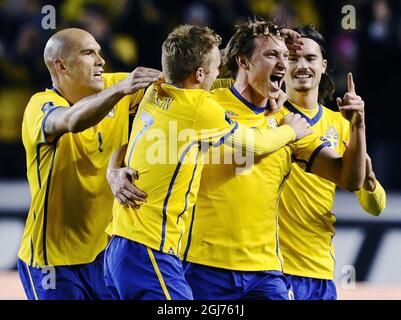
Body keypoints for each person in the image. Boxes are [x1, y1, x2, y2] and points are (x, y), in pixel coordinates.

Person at [107, 19, 366, 300]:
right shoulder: (205, 103)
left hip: (265, 272)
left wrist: (357, 126)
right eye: (274, 55)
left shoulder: (289, 121)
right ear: (243, 62)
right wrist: (114, 170)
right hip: (201, 265)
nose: (287, 64)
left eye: (286, 57)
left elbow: (349, 179)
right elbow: (139, 142)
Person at [17, 28, 162, 300]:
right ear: (61, 65)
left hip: (103, 256)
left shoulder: (117, 89)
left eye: (98, 51)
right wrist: (121, 89)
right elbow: (71, 120)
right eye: (88, 53)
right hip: (53, 263)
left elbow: (185, 82)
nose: (101, 60)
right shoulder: (40, 105)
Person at [278, 25, 386, 300]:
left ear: (324, 65)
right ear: (281, 64)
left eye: (310, 58)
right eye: (292, 58)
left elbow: (375, 207)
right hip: (273, 268)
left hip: (320, 271)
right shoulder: (266, 115)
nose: (302, 66)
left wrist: (370, 181)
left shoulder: (342, 124)